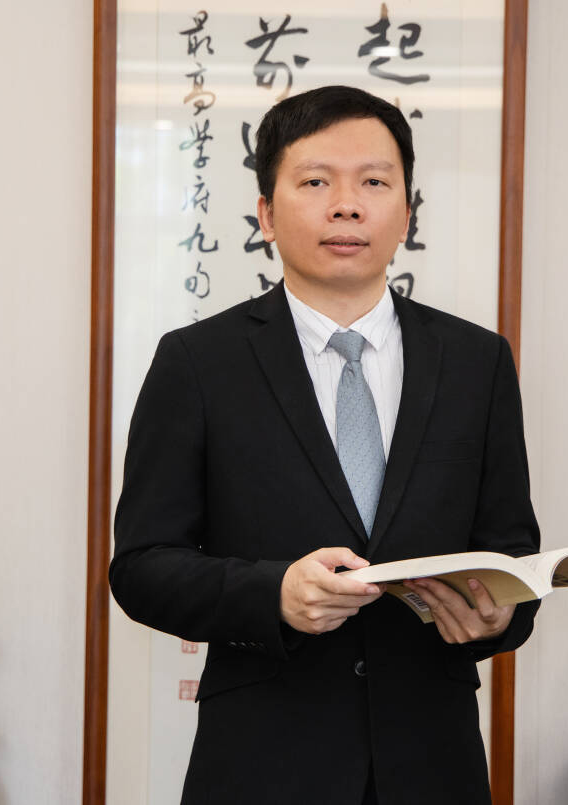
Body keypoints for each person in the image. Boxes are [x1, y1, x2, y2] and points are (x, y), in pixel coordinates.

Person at [109, 85, 541, 805]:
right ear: (266, 215)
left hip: (433, 764)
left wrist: (501, 615)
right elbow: (143, 566)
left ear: (407, 213)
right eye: (315, 183)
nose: (346, 206)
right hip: (261, 765)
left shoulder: (476, 361)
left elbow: (512, 550)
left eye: (374, 182)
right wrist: (273, 593)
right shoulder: (198, 362)